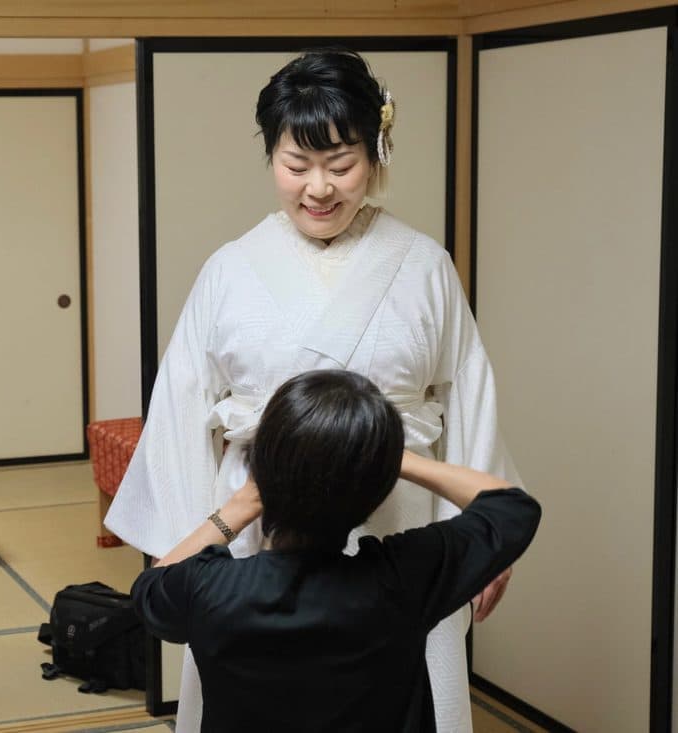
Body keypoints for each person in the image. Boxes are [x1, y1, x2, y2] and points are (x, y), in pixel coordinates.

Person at [104, 47, 520, 732]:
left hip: (396, 524)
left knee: (406, 696)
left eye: (342, 163)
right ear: (272, 157)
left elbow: (470, 388)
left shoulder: (423, 265)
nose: (318, 188)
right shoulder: (230, 269)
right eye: (297, 165)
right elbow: (179, 406)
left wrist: (476, 545)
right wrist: (180, 543)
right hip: (259, 533)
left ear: (377, 152)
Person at [132, 370, 541, 733]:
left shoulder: (211, 589)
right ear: (377, 491)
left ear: (262, 468)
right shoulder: (402, 581)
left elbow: (152, 585)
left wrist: (241, 505)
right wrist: (394, 459)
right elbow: (511, 507)